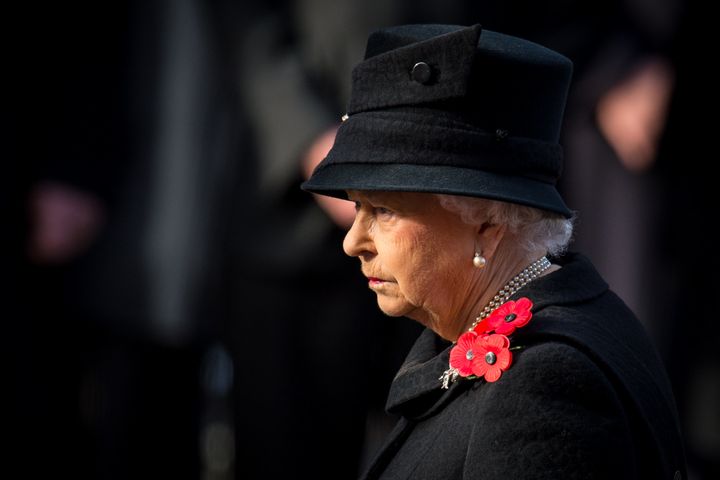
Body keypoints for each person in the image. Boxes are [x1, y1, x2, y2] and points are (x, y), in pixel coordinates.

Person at [301, 24, 686, 479]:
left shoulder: (544, 388)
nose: (353, 242)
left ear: (485, 220)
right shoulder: (544, 316)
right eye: (358, 206)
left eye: (383, 210)